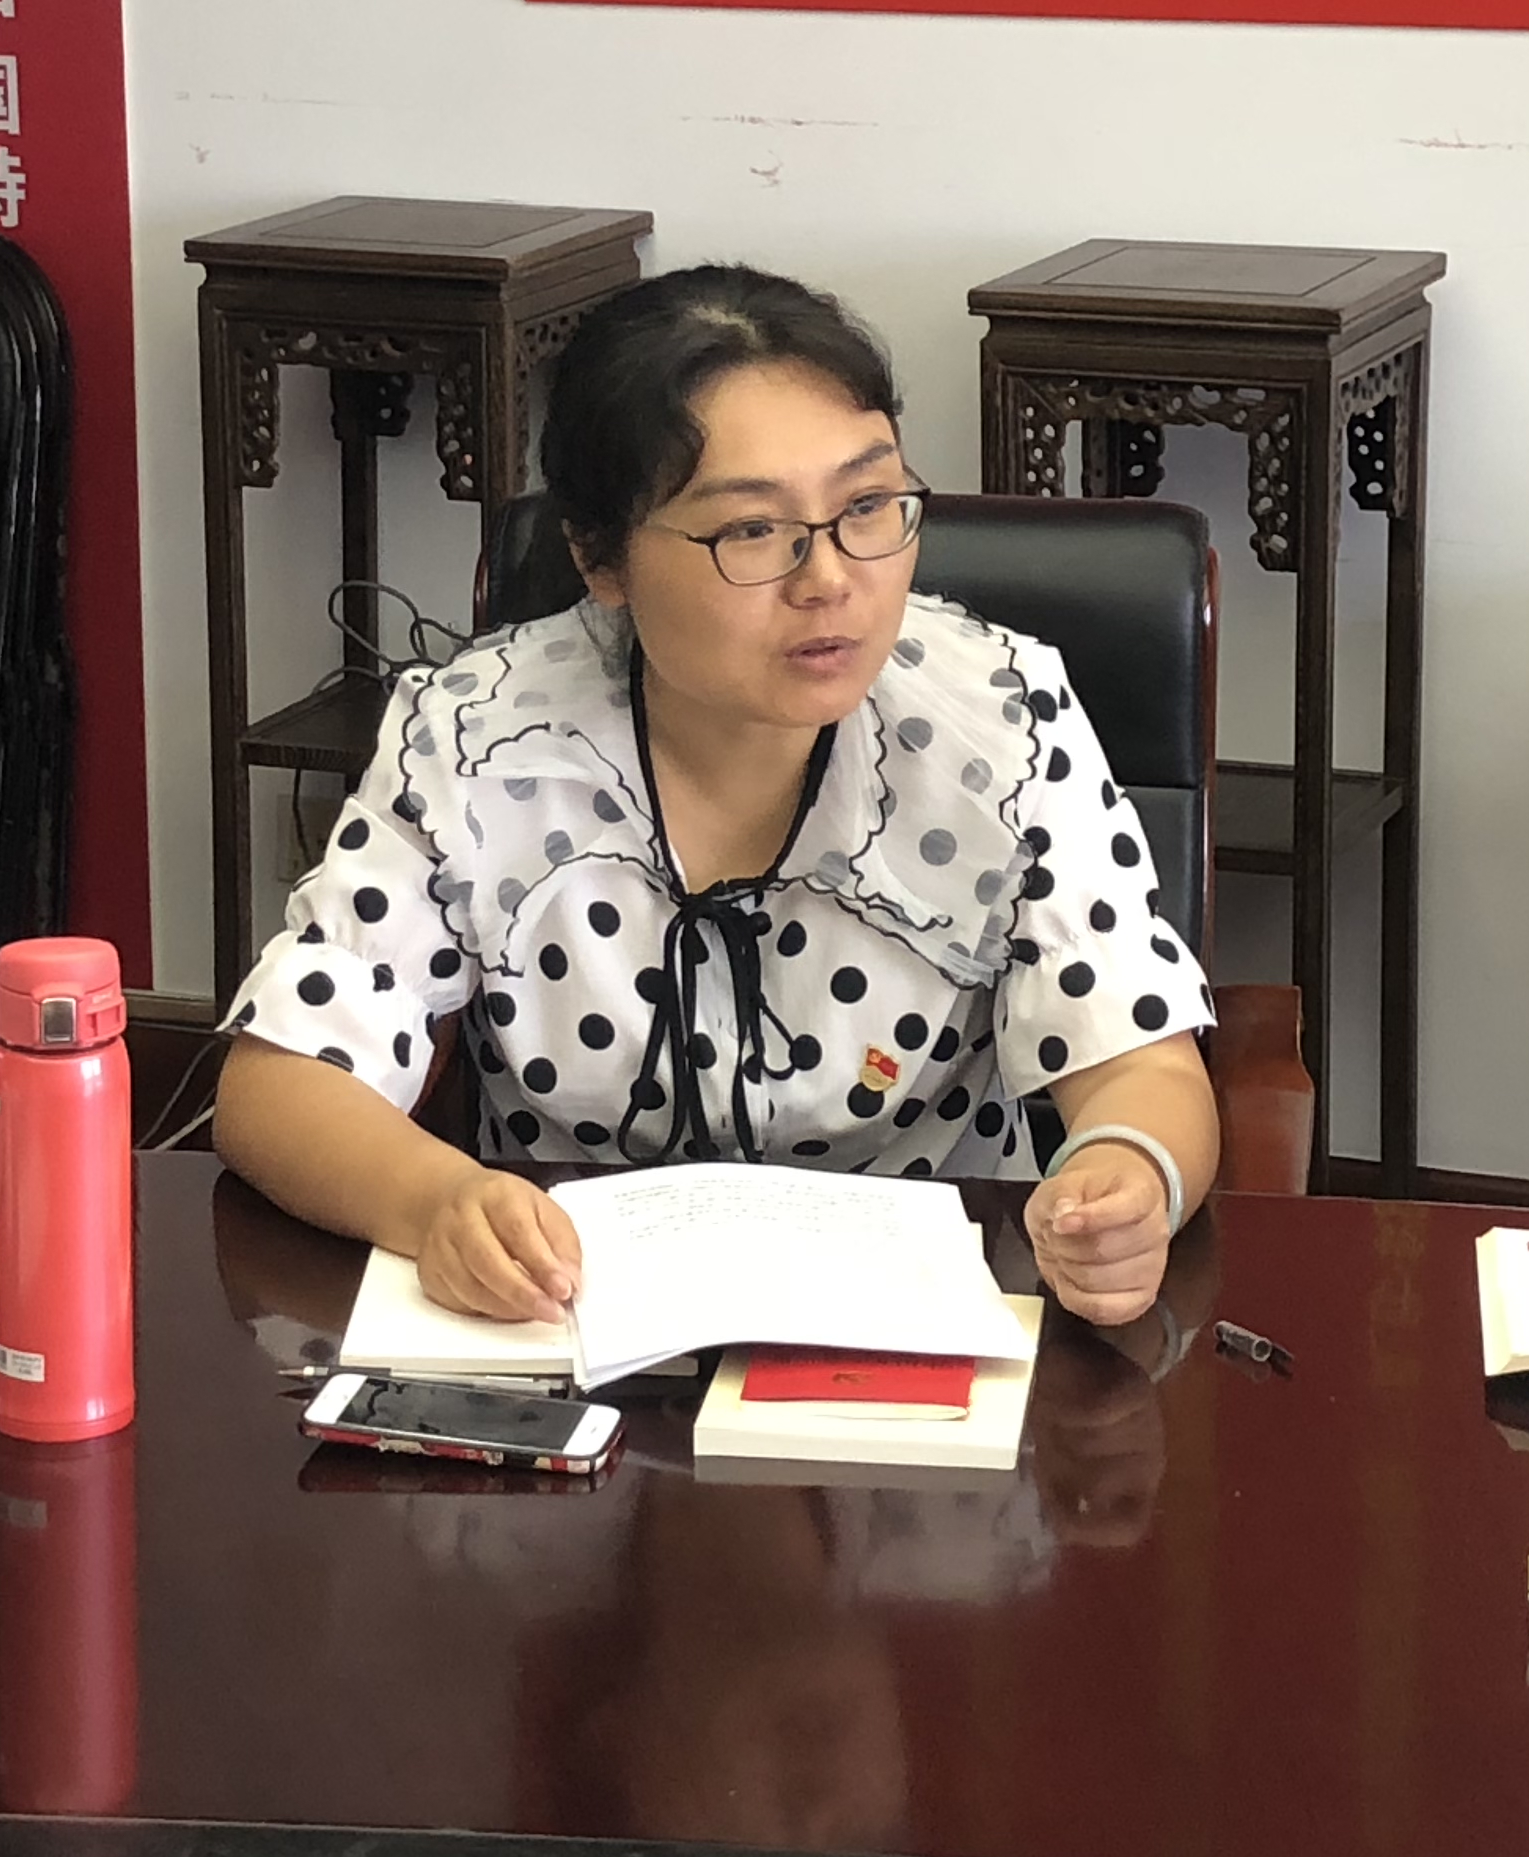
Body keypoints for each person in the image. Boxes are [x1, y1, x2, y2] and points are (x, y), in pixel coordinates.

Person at [211, 265, 1222, 1328]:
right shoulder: (477, 738)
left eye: (867, 506)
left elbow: (1141, 1062)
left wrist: (1126, 1177)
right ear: (600, 558)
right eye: (750, 531)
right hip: (573, 1321)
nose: (829, 579)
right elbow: (281, 1083)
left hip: (912, 1332)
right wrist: (439, 1203)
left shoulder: (1002, 720)